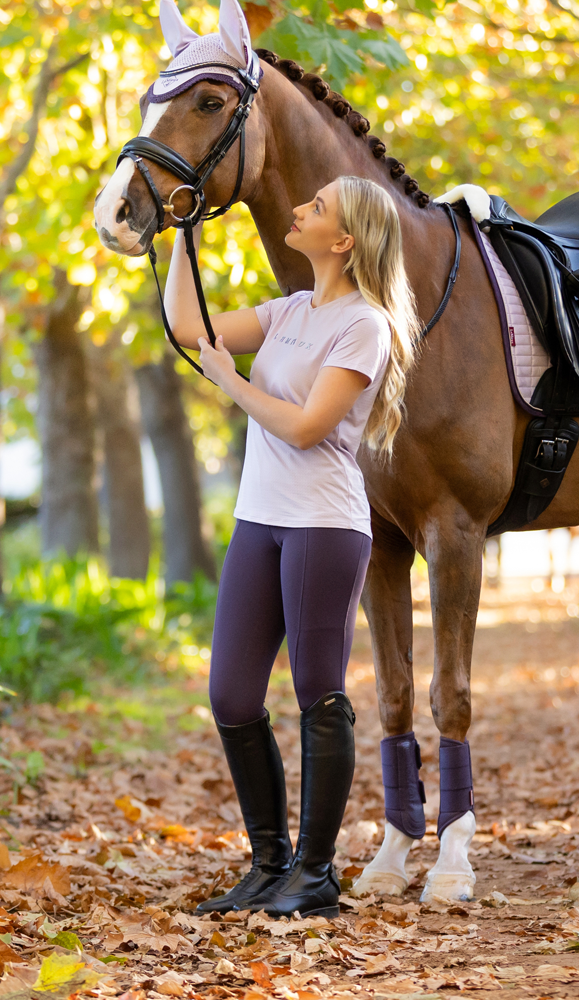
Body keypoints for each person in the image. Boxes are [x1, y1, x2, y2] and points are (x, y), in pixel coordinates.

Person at [163, 175, 419, 917]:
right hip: (260, 518)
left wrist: (230, 382)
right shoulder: (289, 310)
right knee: (232, 694)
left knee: (317, 690)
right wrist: (184, 235)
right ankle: (269, 864)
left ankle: (315, 874)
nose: (300, 209)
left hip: (323, 524)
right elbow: (187, 325)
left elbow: (307, 428)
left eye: (317, 207)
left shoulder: (365, 325)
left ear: (345, 241)